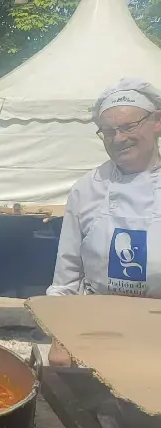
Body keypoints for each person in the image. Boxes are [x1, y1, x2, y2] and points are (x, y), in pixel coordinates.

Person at [46, 78, 161, 365]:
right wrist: (59, 339)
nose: (119, 138)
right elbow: (67, 276)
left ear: (157, 122)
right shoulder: (88, 188)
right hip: (96, 331)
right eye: (108, 132)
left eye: (128, 126)